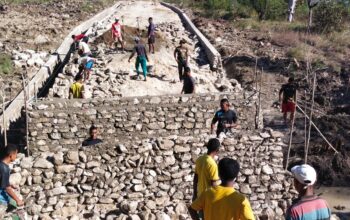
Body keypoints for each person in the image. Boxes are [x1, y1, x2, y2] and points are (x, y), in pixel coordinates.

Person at [189, 158, 255, 220]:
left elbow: (192, 209)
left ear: (219, 174)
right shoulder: (241, 201)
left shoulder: (208, 193)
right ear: (236, 177)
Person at [0, 145, 24, 218]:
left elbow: (2, 180)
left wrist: (10, 184)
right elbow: (7, 188)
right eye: (16, 154)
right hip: (1, 195)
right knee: (14, 209)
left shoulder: (2, 164)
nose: (16, 156)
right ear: (11, 155)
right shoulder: (4, 168)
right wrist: (18, 200)